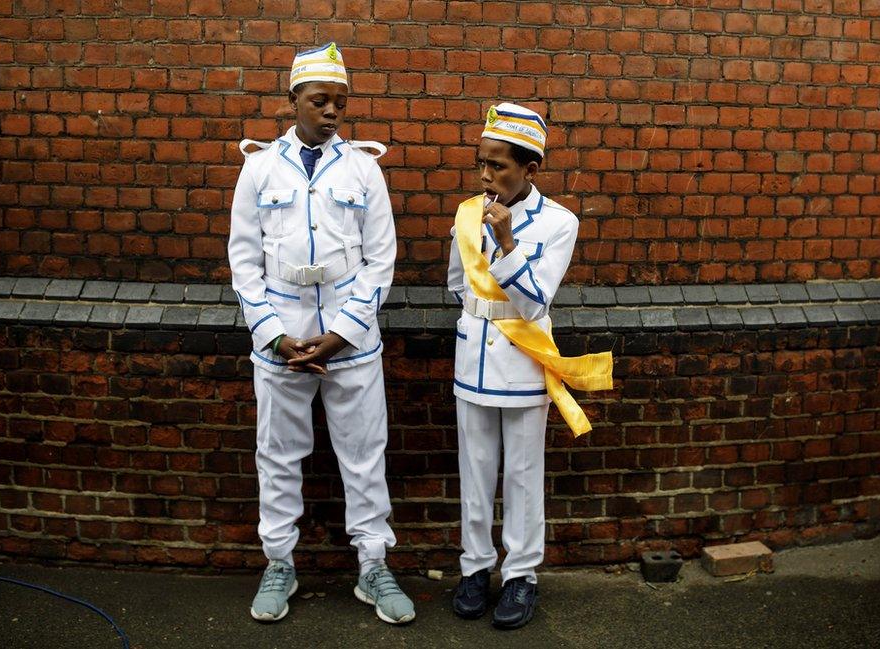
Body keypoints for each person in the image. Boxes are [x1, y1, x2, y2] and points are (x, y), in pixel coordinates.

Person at [227, 42, 414, 625]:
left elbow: (380, 261)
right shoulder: (258, 167)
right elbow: (243, 261)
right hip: (280, 335)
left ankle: (373, 565)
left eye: (340, 102)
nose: (332, 111)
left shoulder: (363, 167)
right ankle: (279, 561)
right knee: (278, 455)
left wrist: (342, 334)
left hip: (348, 340)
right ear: (292, 100)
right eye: (319, 100)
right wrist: (275, 336)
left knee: (363, 455)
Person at [447, 103, 613, 629]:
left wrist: (508, 242)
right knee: (474, 473)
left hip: (522, 363)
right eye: (482, 164)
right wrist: (479, 318)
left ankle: (521, 576)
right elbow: (458, 282)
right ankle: (475, 568)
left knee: (521, 474)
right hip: (473, 356)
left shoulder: (560, 222)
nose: (486, 176)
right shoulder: (468, 213)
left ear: (530, 170)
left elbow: (537, 301)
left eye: (498, 166)